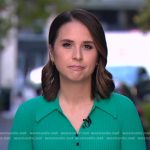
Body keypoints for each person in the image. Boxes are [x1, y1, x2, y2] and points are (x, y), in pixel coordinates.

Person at [8, 9, 146, 150]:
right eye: (67, 44)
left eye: (87, 46)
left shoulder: (124, 109)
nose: (77, 56)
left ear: (98, 55)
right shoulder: (28, 113)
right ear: (52, 52)